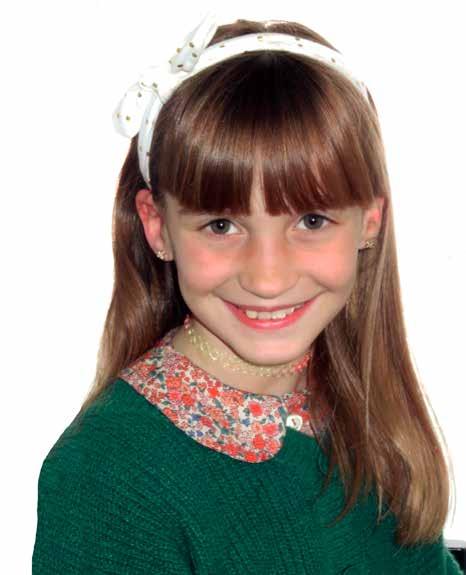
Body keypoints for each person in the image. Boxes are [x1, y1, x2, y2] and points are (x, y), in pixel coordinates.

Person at [32, 10, 463, 574]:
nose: (267, 278)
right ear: (158, 226)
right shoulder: (109, 478)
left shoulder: (362, 403)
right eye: (221, 225)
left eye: (311, 221)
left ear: (369, 221)